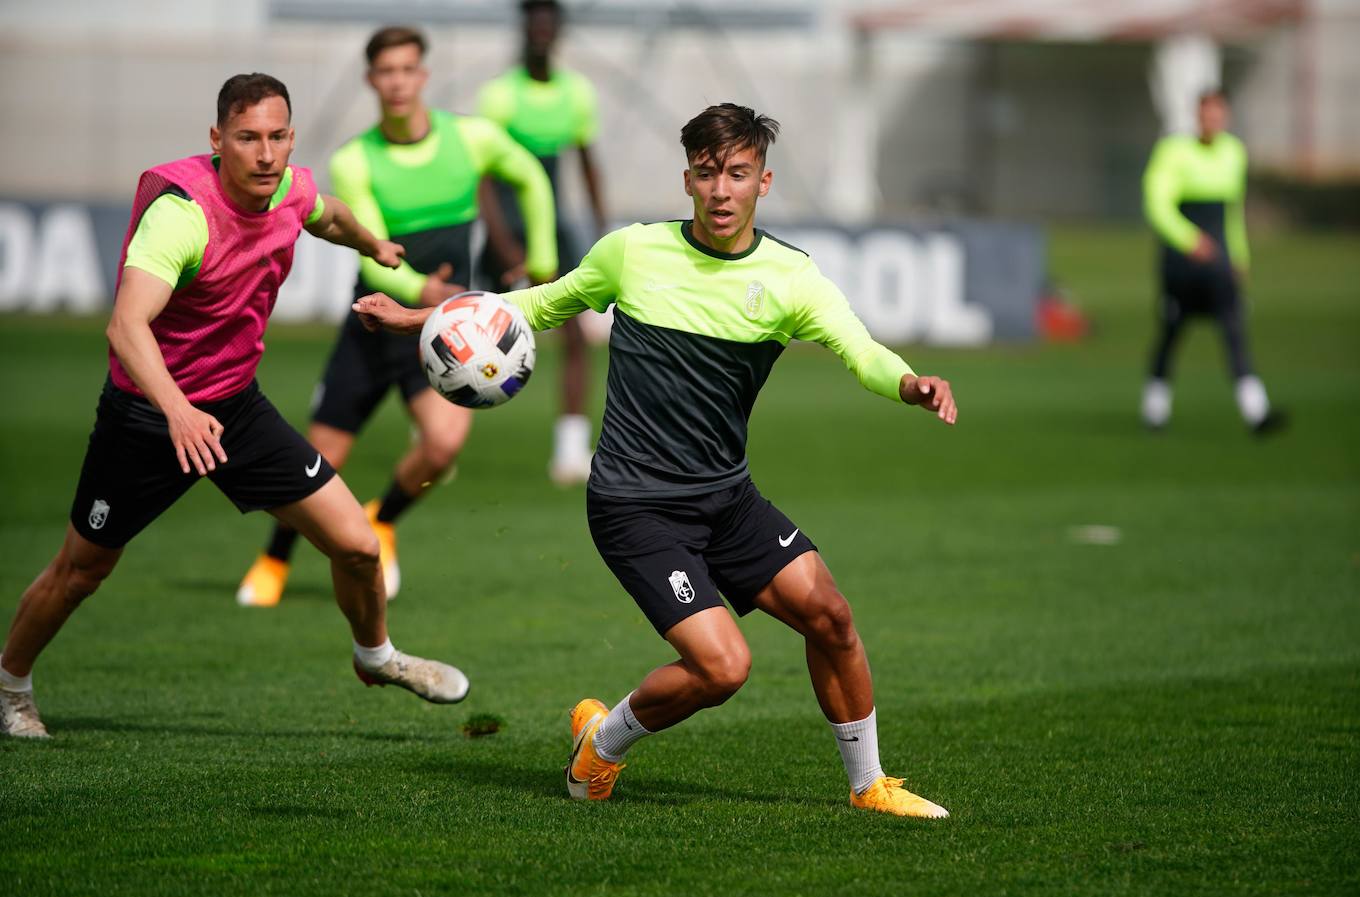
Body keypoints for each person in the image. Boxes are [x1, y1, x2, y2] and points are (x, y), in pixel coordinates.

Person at [354, 103, 958, 817]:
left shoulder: (792, 279)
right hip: (634, 506)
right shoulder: (631, 253)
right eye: (708, 174)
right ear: (688, 180)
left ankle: (869, 787)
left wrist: (909, 383)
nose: (722, 190)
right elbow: (538, 305)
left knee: (831, 616)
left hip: (727, 500)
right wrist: (424, 316)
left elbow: (861, 351)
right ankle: (601, 747)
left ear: (763, 182)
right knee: (724, 666)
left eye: (738, 174)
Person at [0, 74, 468, 740]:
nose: (266, 154)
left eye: (278, 137)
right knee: (81, 572)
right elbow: (126, 327)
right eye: (247, 138)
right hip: (146, 418)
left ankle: (376, 657)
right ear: (218, 140)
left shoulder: (290, 189)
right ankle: (9, 683)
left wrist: (372, 245)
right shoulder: (181, 215)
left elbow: (327, 214)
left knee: (359, 548)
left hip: (237, 409)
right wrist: (178, 411)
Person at [236, 26, 557, 607]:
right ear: (372, 80)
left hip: (441, 332)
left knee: (443, 445)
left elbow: (532, 178)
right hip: (375, 323)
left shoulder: (471, 138)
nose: (398, 82)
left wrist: (542, 259)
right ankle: (274, 558)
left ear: (423, 76)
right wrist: (420, 288)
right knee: (318, 461)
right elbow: (376, 257)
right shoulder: (356, 159)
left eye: (408, 69)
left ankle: (381, 518)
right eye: (387, 71)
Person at [476, 0, 607, 485]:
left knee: (575, 335)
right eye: (534, 24)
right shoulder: (500, 95)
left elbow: (587, 161)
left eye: (549, 24)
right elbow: (484, 176)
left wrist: (599, 229)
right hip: (507, 228)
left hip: (555, 227)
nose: (541, 33)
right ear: (525, 29)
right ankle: (435, 438)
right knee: (468, 331)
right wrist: (504, 244)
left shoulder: (577, 93)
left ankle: (570, 452)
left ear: (558, 32)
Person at [1141, 88, 1283, 433]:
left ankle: (1256, 412)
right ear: (1197, 116)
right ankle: (1154, 411)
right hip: (1182, 261)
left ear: (1226, 117)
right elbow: (1157, 204)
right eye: (1206, 114)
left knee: (1233, 329)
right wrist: (1190, 240)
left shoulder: (1234, 153)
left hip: (1218, 261)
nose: (1212, 121)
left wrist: (1239, 255)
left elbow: (1231, 214)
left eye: (1218, 114)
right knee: (1172, 331)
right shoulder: (1173, 151)